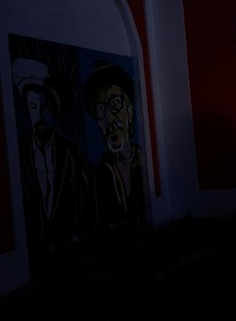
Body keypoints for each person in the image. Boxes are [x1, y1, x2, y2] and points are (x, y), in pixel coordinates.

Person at [12, 58, 92, 275]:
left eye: (43, 107)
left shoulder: (72, 152)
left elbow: (85, 198)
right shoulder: (18, 155)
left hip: (72, 251)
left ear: (53, 110)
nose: (38, 115)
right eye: (32, 107)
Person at [82, 59, 145, 236]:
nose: (110, 118)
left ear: (129, 112)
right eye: (101, 109)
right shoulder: (99, 177)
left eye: (116, 104)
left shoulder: (145, 164)